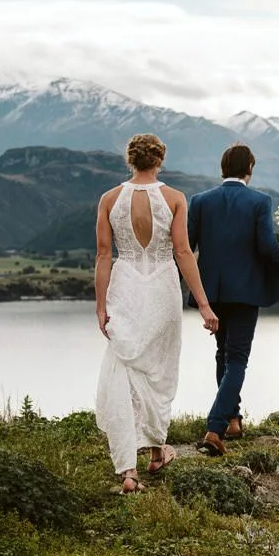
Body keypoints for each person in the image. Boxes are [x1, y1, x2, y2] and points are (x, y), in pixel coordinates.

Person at [94, 133, 219, 493]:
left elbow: (104, 256)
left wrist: (101, 305)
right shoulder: (175, 199)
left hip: (126, 286)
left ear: (129, 160)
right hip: (163, 288)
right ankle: (154, 452)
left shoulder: (109, 200)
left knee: (126, 370)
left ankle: (130, 470)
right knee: (158, 371)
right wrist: (205, 304)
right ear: (160, 160)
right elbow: (182, 253)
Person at [187, 143, 279, 455]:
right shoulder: (259, 201)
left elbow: (188, 246)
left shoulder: (200, 201)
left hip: (212, 292)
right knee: (237, 358)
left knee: (223, 353)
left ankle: (233, 420)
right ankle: (215, 427)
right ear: (249, 168)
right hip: (246, 291)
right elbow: (266, 247)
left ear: (223, 168)